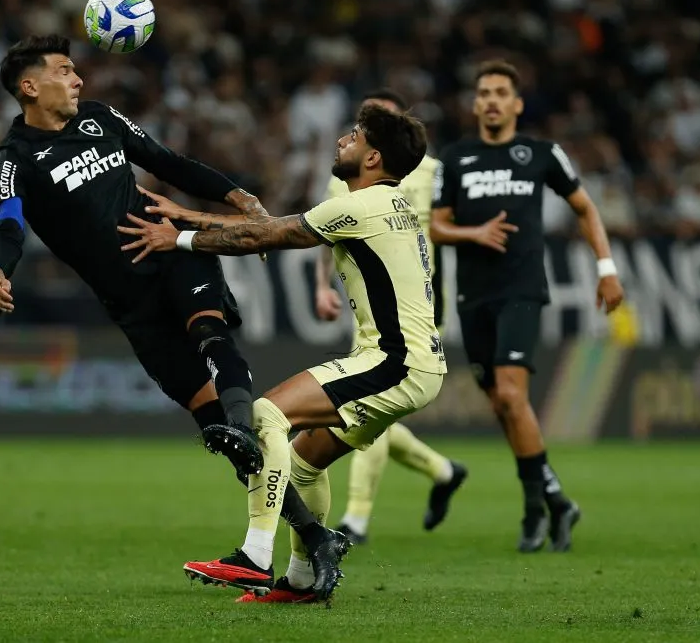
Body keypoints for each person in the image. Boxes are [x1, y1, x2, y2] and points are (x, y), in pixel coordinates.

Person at [0, 35, 346, 586]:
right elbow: (7, 223)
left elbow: (168, 163)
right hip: (129, 303)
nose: (78, 79)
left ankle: (245, 429)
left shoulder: (100, 117)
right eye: (64, 70)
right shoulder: (14, 160)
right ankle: (316, 536)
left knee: (210, 337)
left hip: (170, 248)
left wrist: (238, 196)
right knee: (210, 419)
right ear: (29, 87)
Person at [120, 103, 445, 602]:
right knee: (305, 460)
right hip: (415, 364)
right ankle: (301, 579)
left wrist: (178, 238)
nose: (342, 140)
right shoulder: (387, 204)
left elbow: (262, 235)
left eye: (354, 136)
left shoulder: (361, 206)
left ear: (373, 157)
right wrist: (191, 216)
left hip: (392, 363)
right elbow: (272, 227)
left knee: (264, 415)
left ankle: (254, 555)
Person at [430, 60, 625, 552]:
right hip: (472, 298)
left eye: (501, 92)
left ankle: (534, 510)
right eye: (484, 93)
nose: (492, 100)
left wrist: (606, 269)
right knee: (502, 405)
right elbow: (436, 224)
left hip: (521, 291)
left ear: (517, 104)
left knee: (512, 396)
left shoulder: (541, 153)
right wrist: (473, 232)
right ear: (475, 104)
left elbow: (585, 208)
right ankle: (558, 500)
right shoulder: (456, 158)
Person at [315, 90, 467, 546]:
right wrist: (321, 286)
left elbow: (448, 226)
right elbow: (323, 228)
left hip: (417, 307)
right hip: (368, 302)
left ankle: (356, 518)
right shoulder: (346, 175)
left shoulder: (433, 171)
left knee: (370, 400)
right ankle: (443, 471)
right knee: (373, 408)